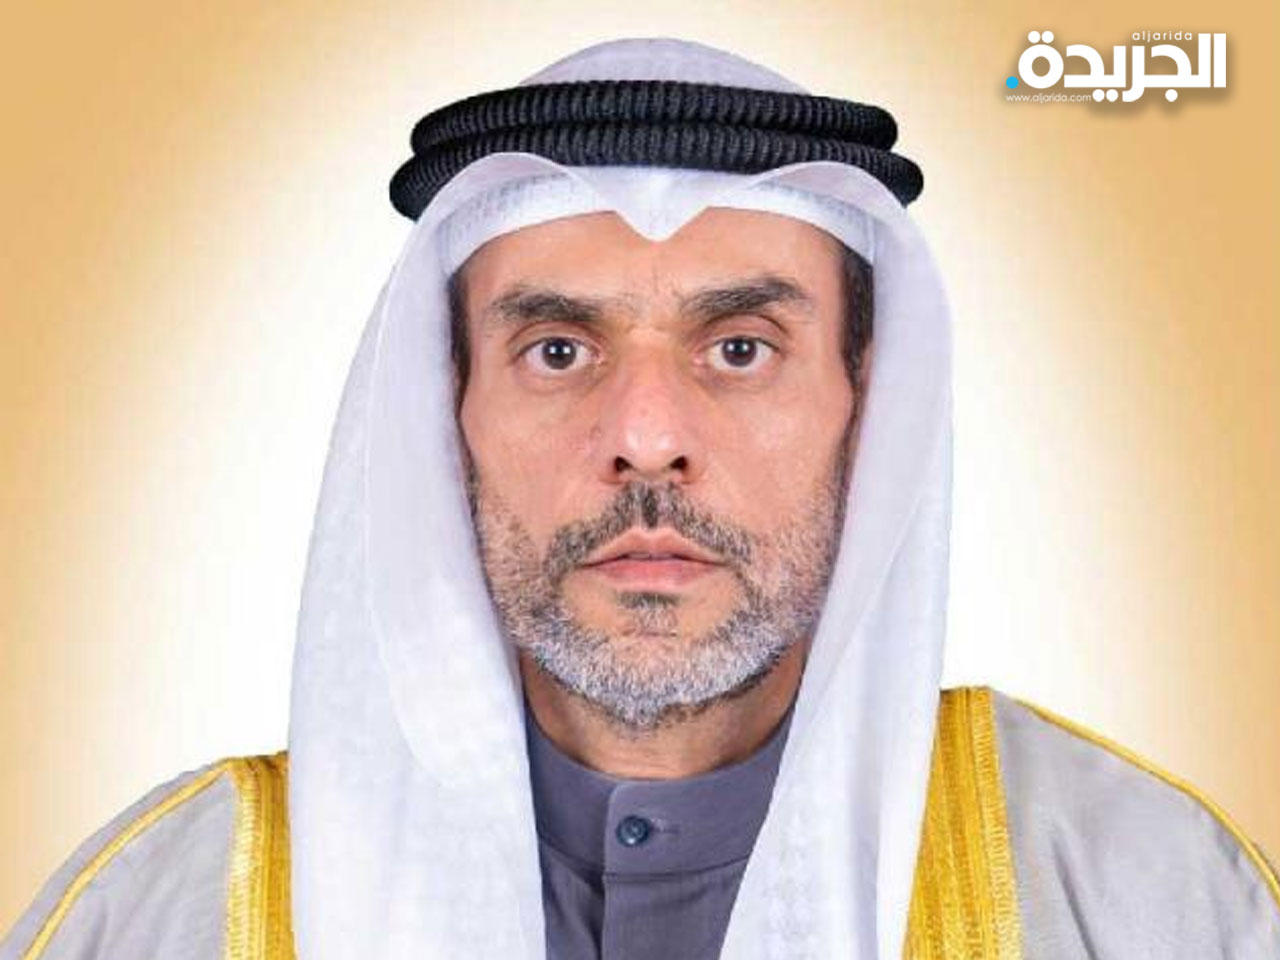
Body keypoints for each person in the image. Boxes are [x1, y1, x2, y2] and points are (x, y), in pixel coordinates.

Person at [2, 36, 1277, 960]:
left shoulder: (1134, 891)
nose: (647, 439)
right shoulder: (168, 912)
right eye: (557, 350)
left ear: (865, 405)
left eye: (741, 348)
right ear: (446, 410)